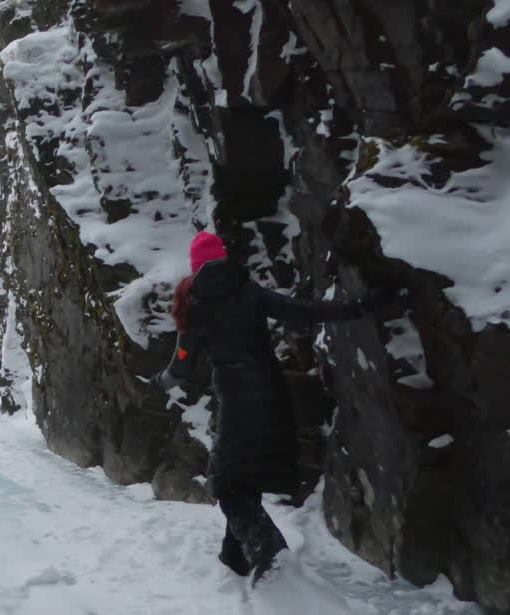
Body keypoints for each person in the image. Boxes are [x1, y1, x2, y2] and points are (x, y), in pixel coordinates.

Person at [156, 231, 384, 586]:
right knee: (245, 475)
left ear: (196, 265)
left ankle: (270, 552)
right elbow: (303, 312)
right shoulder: (248, 290)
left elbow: (183, 363)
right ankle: (234, 558)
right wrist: (358, 307)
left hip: (236, 400)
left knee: (226, 483)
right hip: (273, 396)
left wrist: (161, 382)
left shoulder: (197, 302)